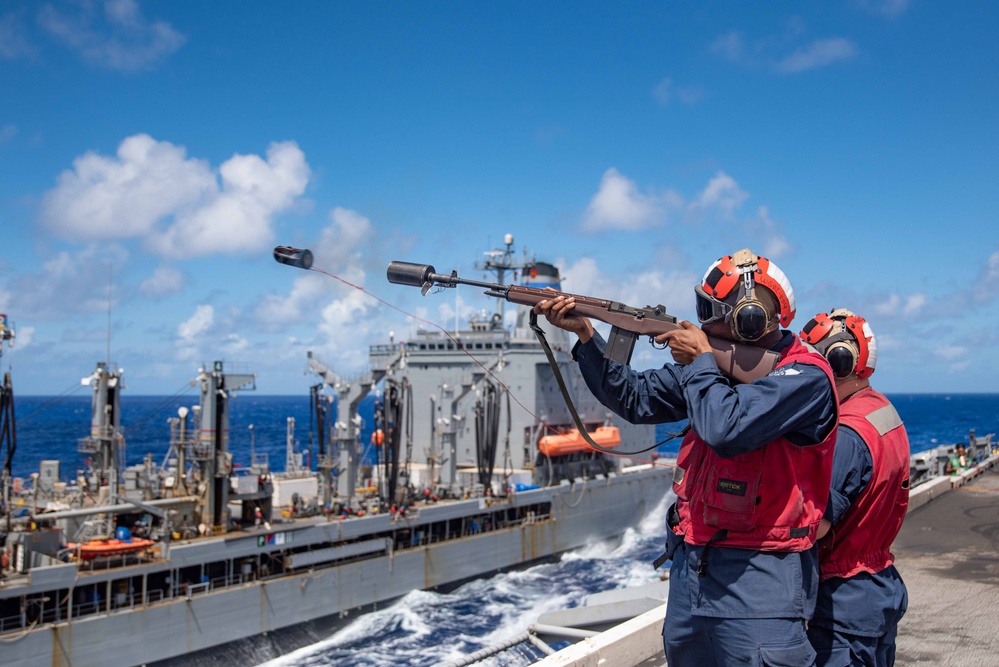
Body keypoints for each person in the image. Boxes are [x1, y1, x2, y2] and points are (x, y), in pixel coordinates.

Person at [536, 248, 838, 666]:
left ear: (747, 318)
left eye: (710, 311)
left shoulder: (806, 378)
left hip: (760, 580)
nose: (701, 322)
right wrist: (586, 336)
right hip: (692, 569)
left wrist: (701, 361)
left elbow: (726, 429)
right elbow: (635, 398)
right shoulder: (711, 368)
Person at [799, 309, 909, 666]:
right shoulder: (880, 412)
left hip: (842, 600)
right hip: (874, 587)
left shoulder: (846, 433)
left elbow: (816, 527)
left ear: (839, 363)